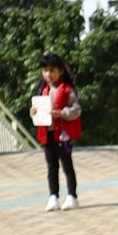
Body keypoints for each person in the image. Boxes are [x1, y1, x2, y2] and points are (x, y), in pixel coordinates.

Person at [30, 54, 81, 210]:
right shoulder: (42, 90)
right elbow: (37, 110)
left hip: (62, 135)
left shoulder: (67, 90)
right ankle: (53, 196)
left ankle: (72, 196)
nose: (48, 74)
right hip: (48, 134)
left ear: (61, 71)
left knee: (67, 166)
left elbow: (76, 110)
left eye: (52, 70)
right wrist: (33, 112)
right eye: (45, 71)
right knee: (51, 167)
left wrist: (62, 113)